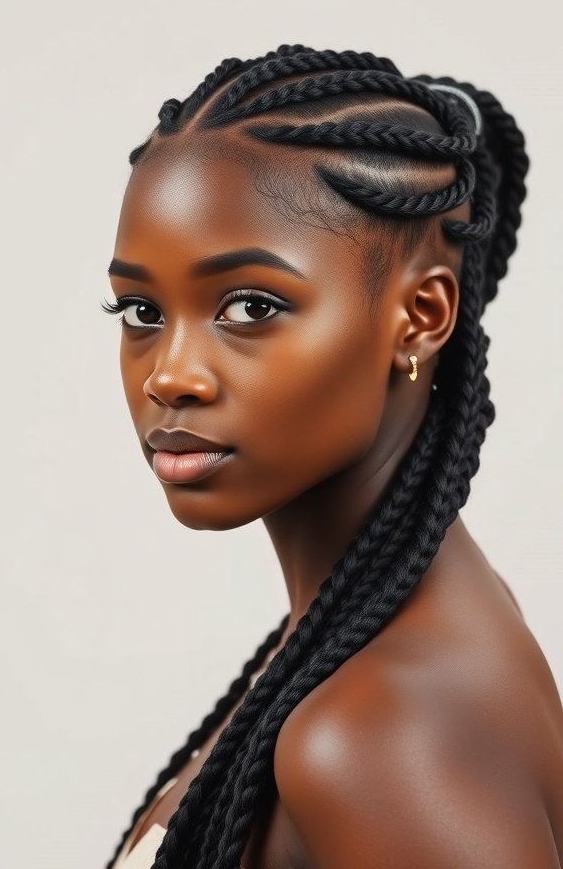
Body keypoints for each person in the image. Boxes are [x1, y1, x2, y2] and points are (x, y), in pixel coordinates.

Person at [102, 44, 563, 869]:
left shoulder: (380, 735)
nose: (170, 373)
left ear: (420, 316)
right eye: (140, 310)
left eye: (249, 305)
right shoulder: (361, 632)